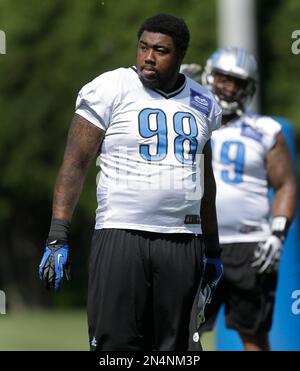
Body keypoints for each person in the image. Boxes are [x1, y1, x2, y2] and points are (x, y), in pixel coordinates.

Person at [38, 13, 223, 351]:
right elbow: (74, 164)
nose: (148, 57)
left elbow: (205, 180)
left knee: (176, 350)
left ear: (180, 55)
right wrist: (57, 234)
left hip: (183, 240)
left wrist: (212, 248)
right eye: (143, 47)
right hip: (121, 233)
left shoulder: (204, 103)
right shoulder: (110, 87)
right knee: (115, 347)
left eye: (160, 50)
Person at [181, 47, 297, 351]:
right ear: (209, 76)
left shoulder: (265, 130)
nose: (229, 87)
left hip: (250, 244)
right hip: (198, 241)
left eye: (238, 82)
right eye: (223, 78)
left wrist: (277, 235)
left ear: (249, 88)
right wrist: (175, 90)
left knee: (253, 334)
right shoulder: (189, 120)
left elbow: (285, 185)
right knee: (184, 330)